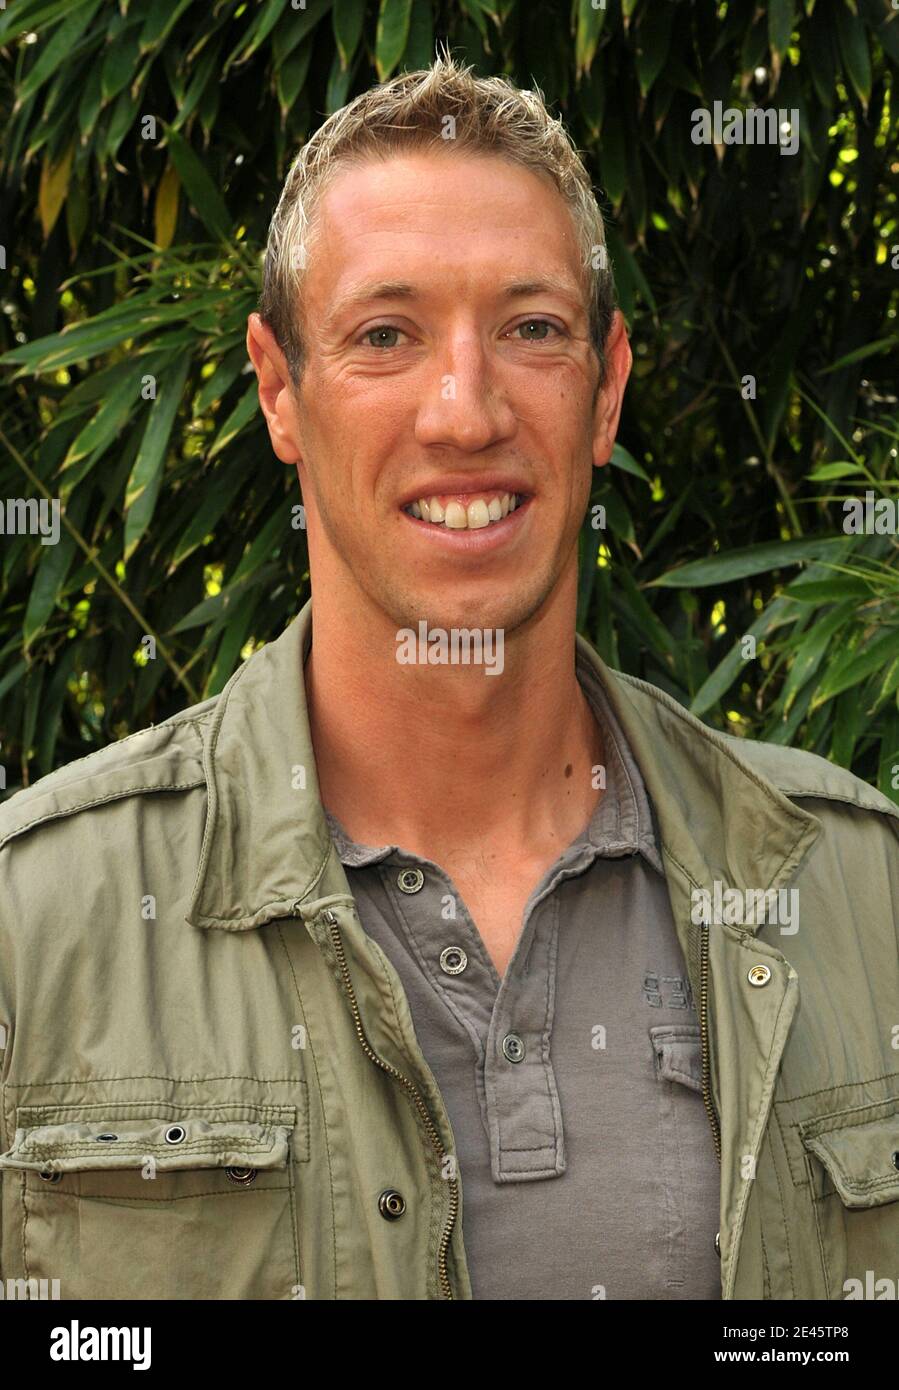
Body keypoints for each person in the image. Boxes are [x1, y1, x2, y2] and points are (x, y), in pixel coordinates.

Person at [0, 54, 897, 1303]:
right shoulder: (37, 925)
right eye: (385, 334)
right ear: (278, 390)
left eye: (531, 328)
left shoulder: (857, 893)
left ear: (606, 388)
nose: (463, 411)